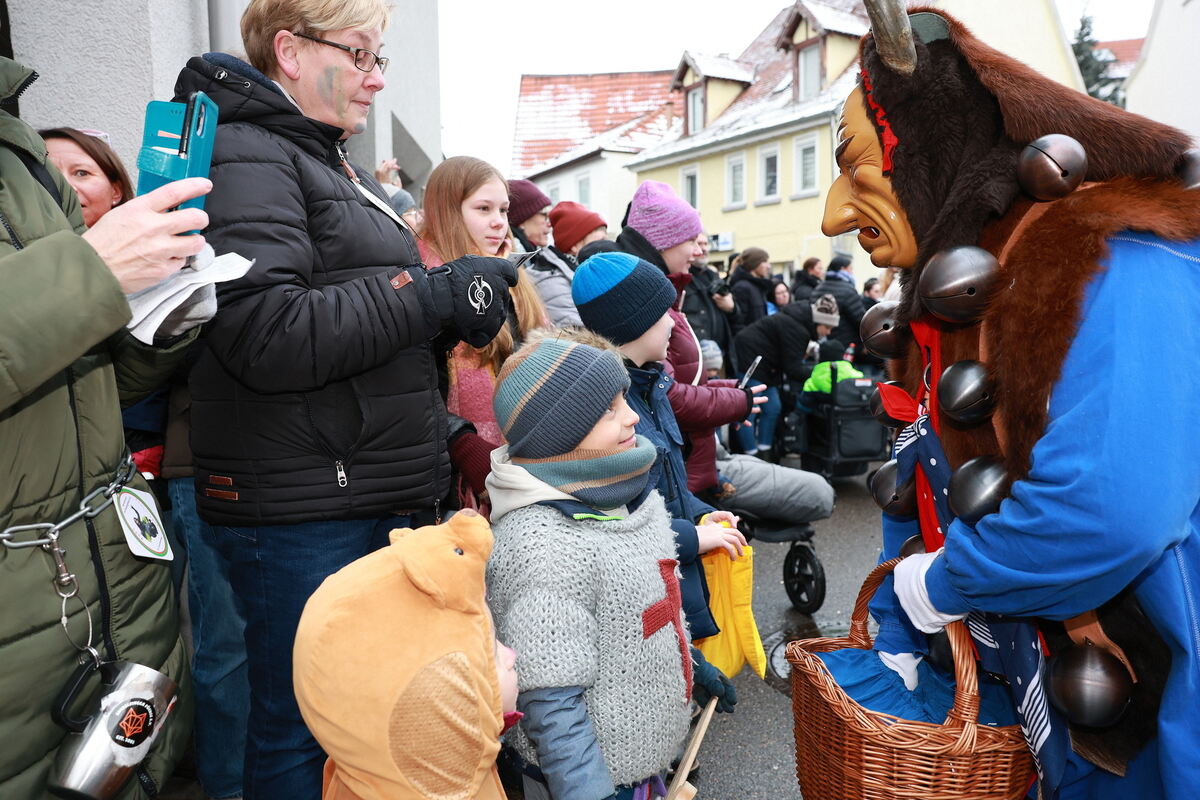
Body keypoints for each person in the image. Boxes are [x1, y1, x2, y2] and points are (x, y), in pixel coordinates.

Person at [826, 4, 1200, 798]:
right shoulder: (960, 297)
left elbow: (1108, 515)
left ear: (926, 147)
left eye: (853, 160)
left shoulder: (1113, 257)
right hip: (1057, 719)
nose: (831, 214)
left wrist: (936, 586)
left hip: (1166, 735)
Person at [171, 2, 518, 796]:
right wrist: (428, 296)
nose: (377, 77)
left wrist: (445, 316)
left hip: (351, 483)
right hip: (303, 507)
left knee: (357, 722)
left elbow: (361, 324)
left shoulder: (324, 159)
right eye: (361, 53)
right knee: (302, 725)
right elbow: (266, 331)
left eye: (380, 55)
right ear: (289, 51)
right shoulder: (243, 151)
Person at [0, 56, 214, 796]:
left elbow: (89, 389)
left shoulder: (18, 150)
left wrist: (166, 321)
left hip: (115, 586)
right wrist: (92, 274)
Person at [487, 332, 736, 800]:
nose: (633, 417)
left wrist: (692, 664)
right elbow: (550, 700)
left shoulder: (611, 494)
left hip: (639, 765)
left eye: (624, 399)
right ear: (561, 432)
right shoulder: (543, 547)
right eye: (609, 408)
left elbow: (633, 619)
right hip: (589, 776)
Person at [572, 251, 750, 645]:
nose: (673, 321)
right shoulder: (614, 413)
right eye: (663, 313)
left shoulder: (651, 387)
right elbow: (620, 519)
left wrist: (701, 513)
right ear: (634, 325)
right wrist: (692, 538)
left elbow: (667, 483)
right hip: (648, 597)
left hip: (676, 574)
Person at [295, 510, 518, 800]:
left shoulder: (365, 771)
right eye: (493, 657)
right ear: (438, 707)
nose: (511, 654)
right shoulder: (452, 783)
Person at [419, 157, 549, 512]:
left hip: (521, 463)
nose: (499, 222)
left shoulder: (512, 275)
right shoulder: (425, 281)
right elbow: (413, 389)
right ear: (447, 211)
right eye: (483, 208)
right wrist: (462, 443)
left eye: (504, 210)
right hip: (452, 482)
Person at [728, 247, 774, 331]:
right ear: (754, 264)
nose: (769, 266)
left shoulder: (758, 286)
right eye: (764, 261)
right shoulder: (742, 288)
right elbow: (737, 324)